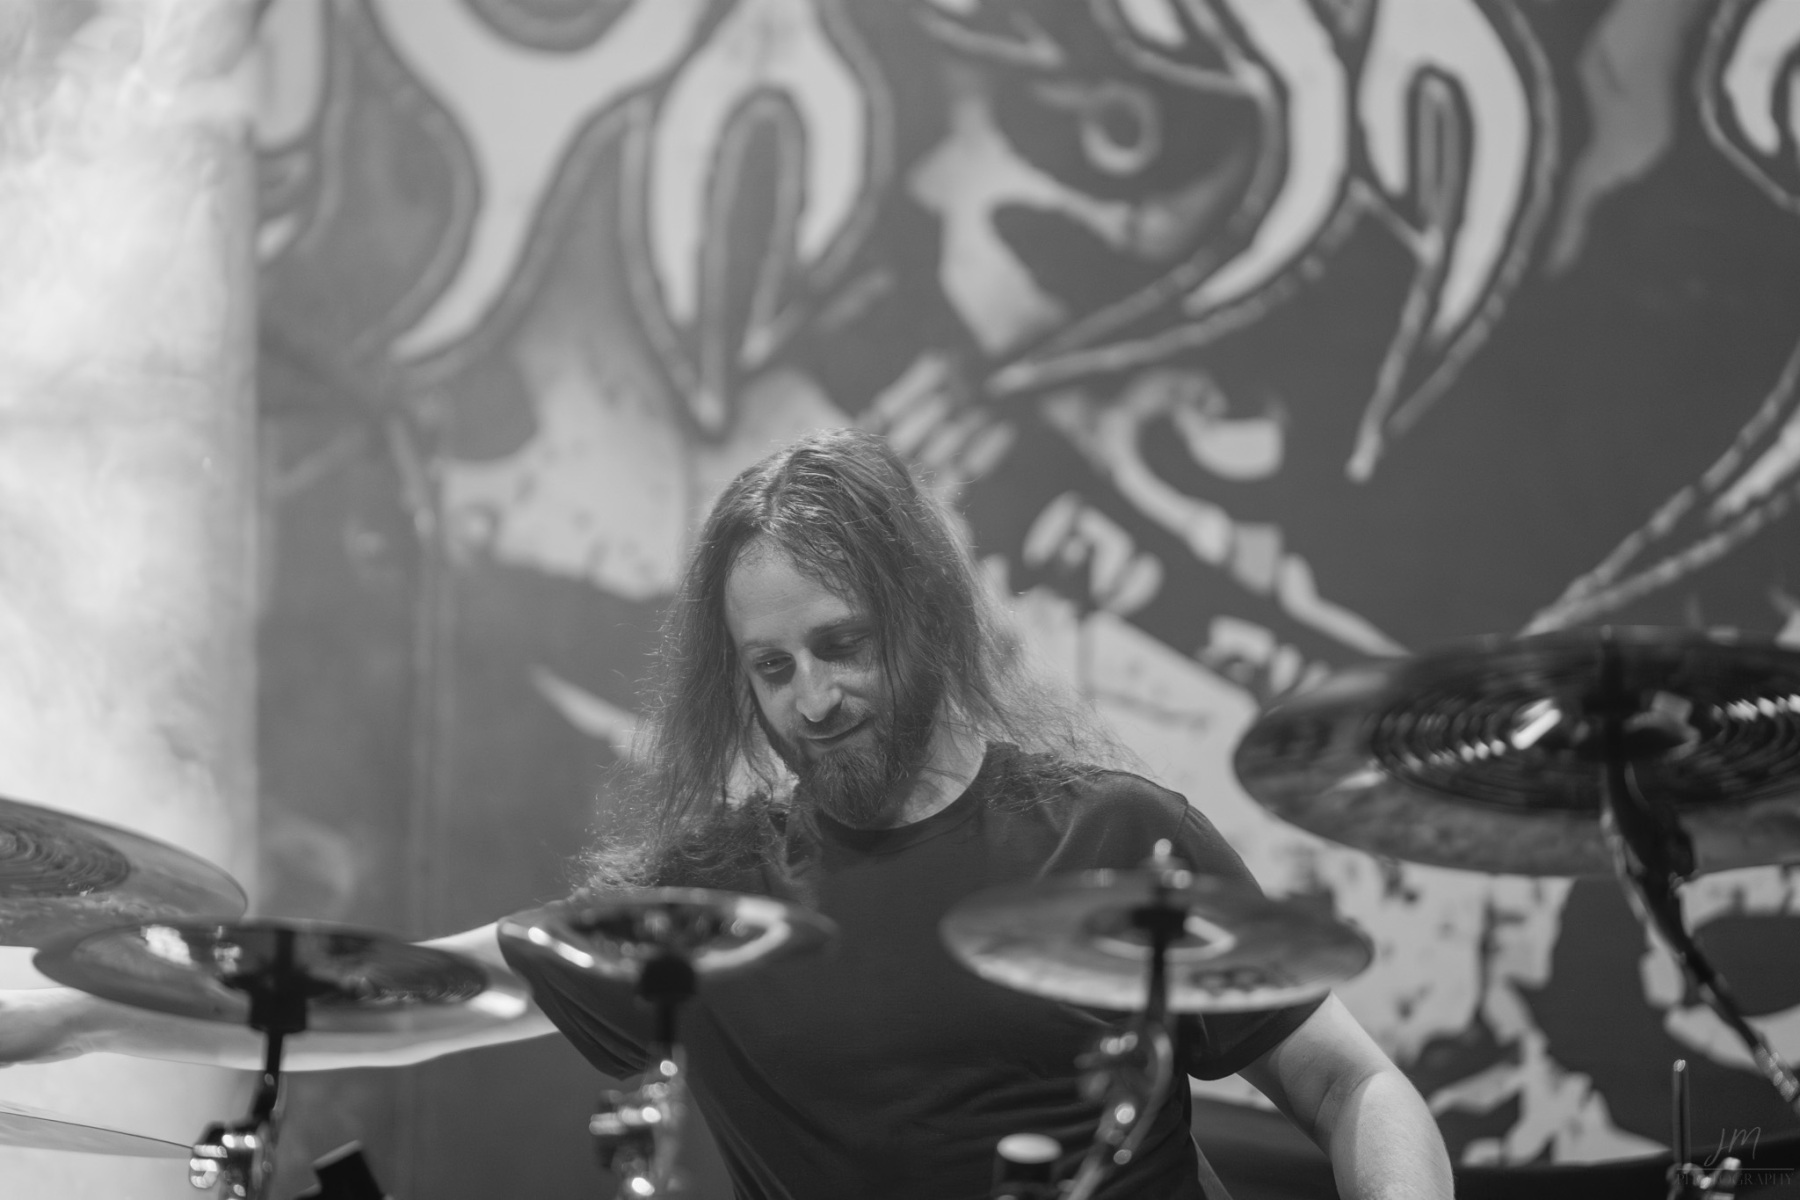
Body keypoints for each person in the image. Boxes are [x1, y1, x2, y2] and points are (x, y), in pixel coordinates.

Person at [1, 429, 1452, 1199]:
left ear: (924, 625)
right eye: (771, 668)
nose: (811, 699)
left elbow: (1357, 1090)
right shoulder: (711, 912)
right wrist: (68, 1020)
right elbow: (395, 996)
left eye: (840, 647)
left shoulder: (1114, 835)